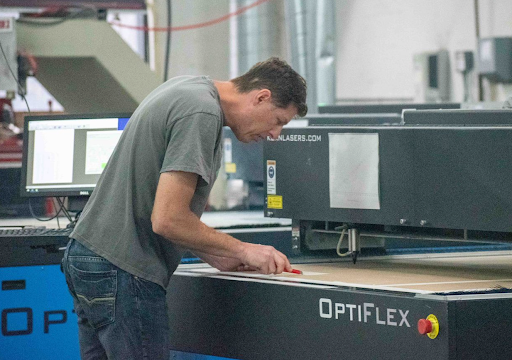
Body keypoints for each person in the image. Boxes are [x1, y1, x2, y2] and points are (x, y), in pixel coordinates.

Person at [61, 57, 307, 360]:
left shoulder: (188, 89)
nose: (275, 134)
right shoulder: (201, 112)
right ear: (261, 97)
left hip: (88, 256)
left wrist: (217, 254)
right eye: (279, 120)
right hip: (124, 268)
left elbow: (162, 208)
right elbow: (168, 219)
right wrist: (244, 250)